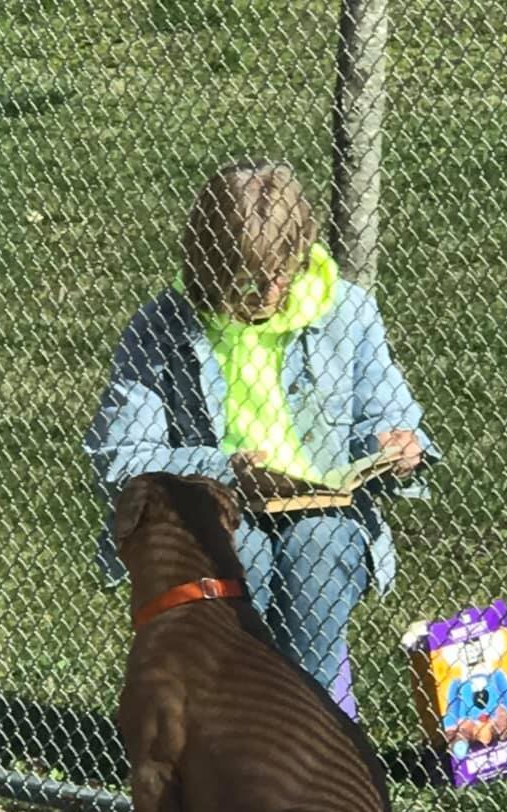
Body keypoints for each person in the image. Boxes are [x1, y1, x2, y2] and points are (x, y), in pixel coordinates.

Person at [83, 159, 440, 720]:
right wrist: (222, 469)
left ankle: (312, 728)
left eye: (283, 272)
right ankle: (238, 729)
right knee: (239, 556)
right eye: (249, 279)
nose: (271, 291)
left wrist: (397, 444)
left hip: (325, 508)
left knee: (321, 550)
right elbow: (121, 457)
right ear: (209, 263)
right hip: (214, 509)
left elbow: (390, 410)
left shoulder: (347, 311)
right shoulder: (161, 326)